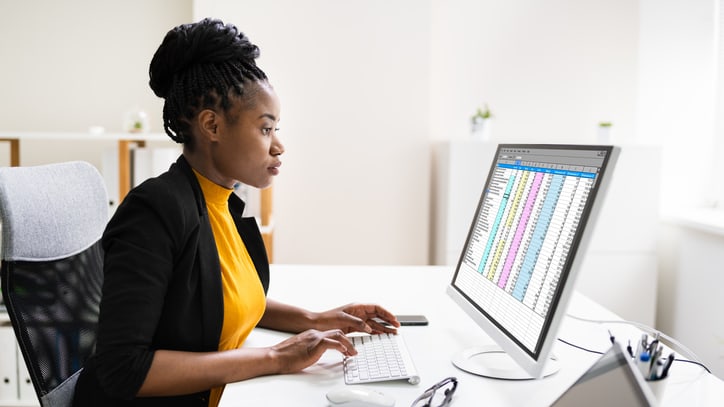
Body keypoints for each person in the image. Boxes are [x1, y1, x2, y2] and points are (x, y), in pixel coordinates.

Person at [72, 18, 400, 407]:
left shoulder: (222, 204)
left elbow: (219, 302)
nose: (278, 146)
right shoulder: (155, 211)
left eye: (277, 129)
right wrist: (276, 357)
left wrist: (316, 320)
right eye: (265, 129)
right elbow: (122, 368)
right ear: (211, 125)